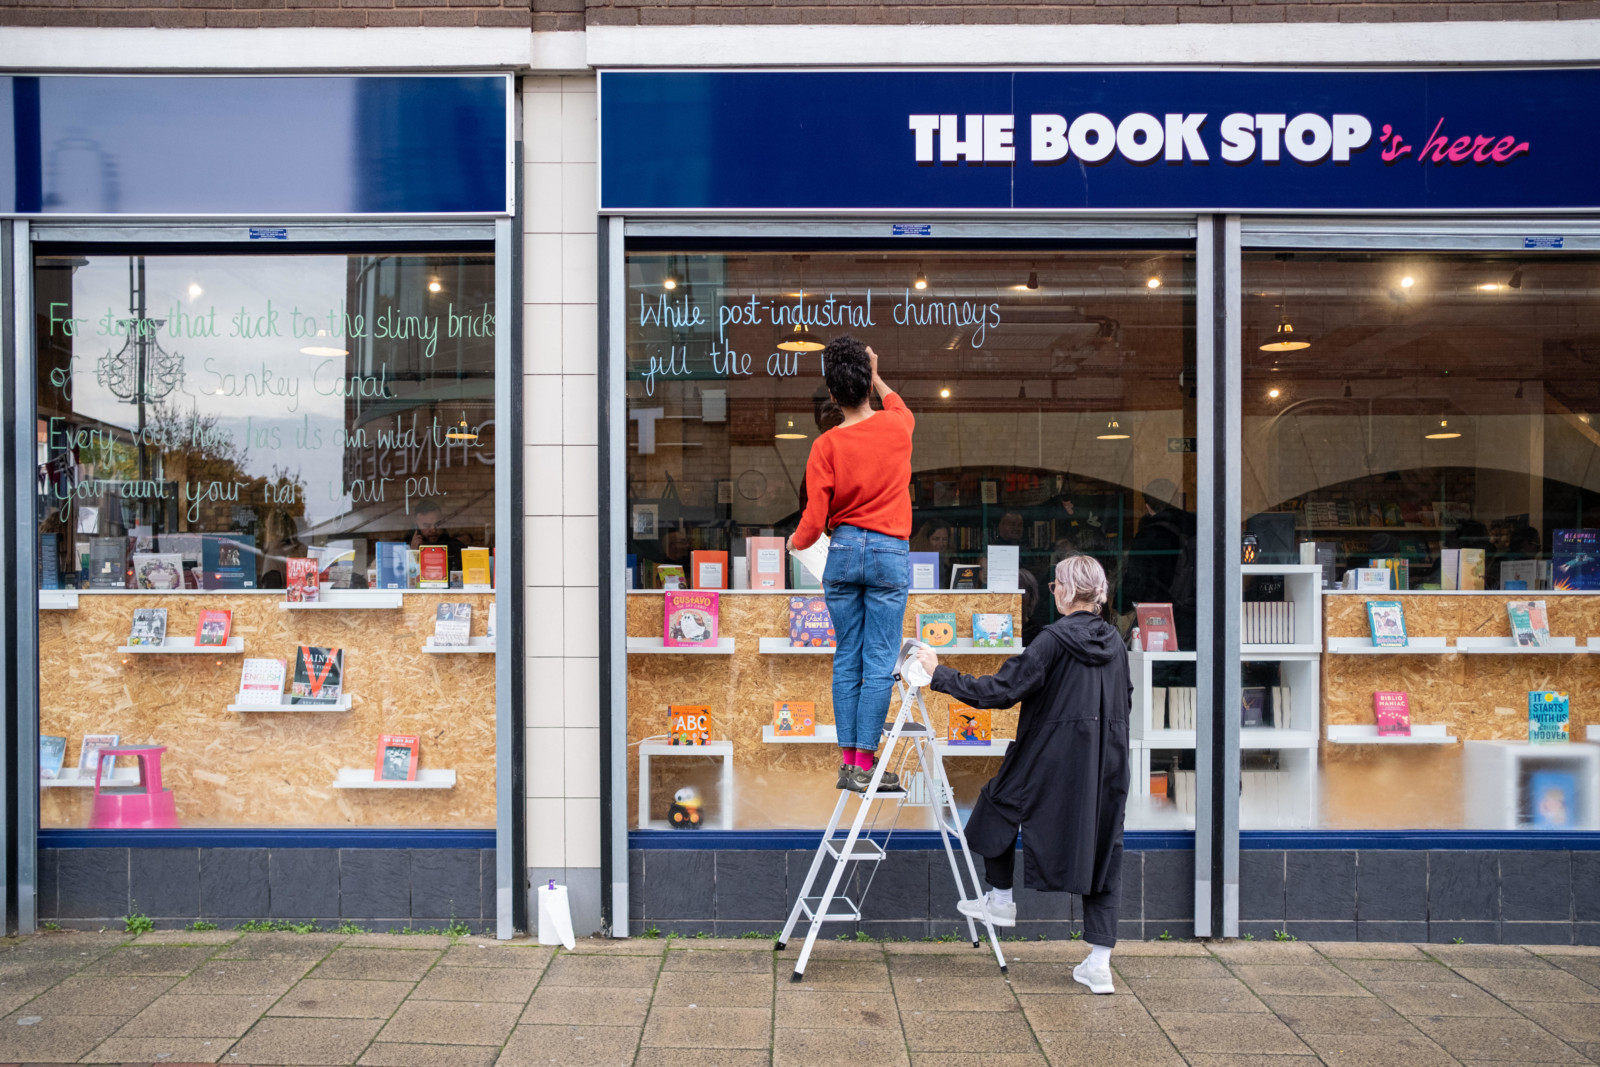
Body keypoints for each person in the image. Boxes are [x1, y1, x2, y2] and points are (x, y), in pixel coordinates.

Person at [915, 554, 1131, 995]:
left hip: (1049, 755)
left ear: (1067, 591)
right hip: (1106, 760)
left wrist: (939, 674)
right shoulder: (1116, 643)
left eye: (1054, 586)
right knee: (1103, 844)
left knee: (996, 804)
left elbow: (1001, 690)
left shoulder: (1052, 641)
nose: (1052, 593)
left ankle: (1001, 900)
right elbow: (1124, 699)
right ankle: (1100, 963)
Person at [791, 337, 914, 794]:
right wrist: (878, 374)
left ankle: (848, 764)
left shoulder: (825, 445)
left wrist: (795, 543)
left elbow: (813, 520)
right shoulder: (898, 428)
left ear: (830, 390)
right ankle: (866, 764)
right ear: (867, 381)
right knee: (879, 661)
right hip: (887, 552)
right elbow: (898, 405)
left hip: (841, 552)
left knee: (848, 657)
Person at [406, 501, 468, 573]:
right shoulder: (406, 548)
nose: (433, 530)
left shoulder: (455, 547)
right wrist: (413, 553)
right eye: (427, 526)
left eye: (438, 524)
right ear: (417, 526)